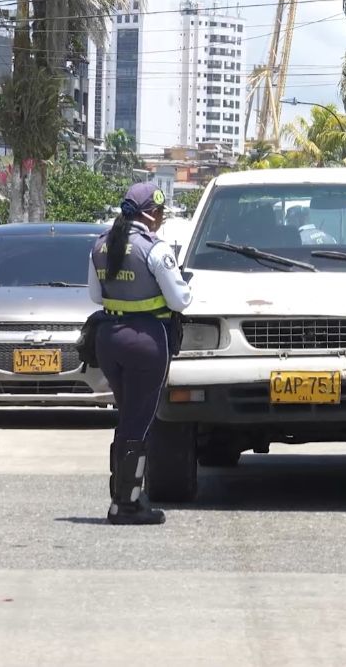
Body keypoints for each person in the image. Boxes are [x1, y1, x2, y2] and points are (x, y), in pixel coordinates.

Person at [87, 182, 193, 525]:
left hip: (108, 338)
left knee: (127, 417)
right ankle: (127, 505)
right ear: (150, 213)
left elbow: (94, 296)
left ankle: (122, 497)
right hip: (146, 340)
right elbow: (180, 300)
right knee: (139, 422)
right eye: (160, 212)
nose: (161, 218)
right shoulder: (155, 248)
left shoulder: (101, 245)